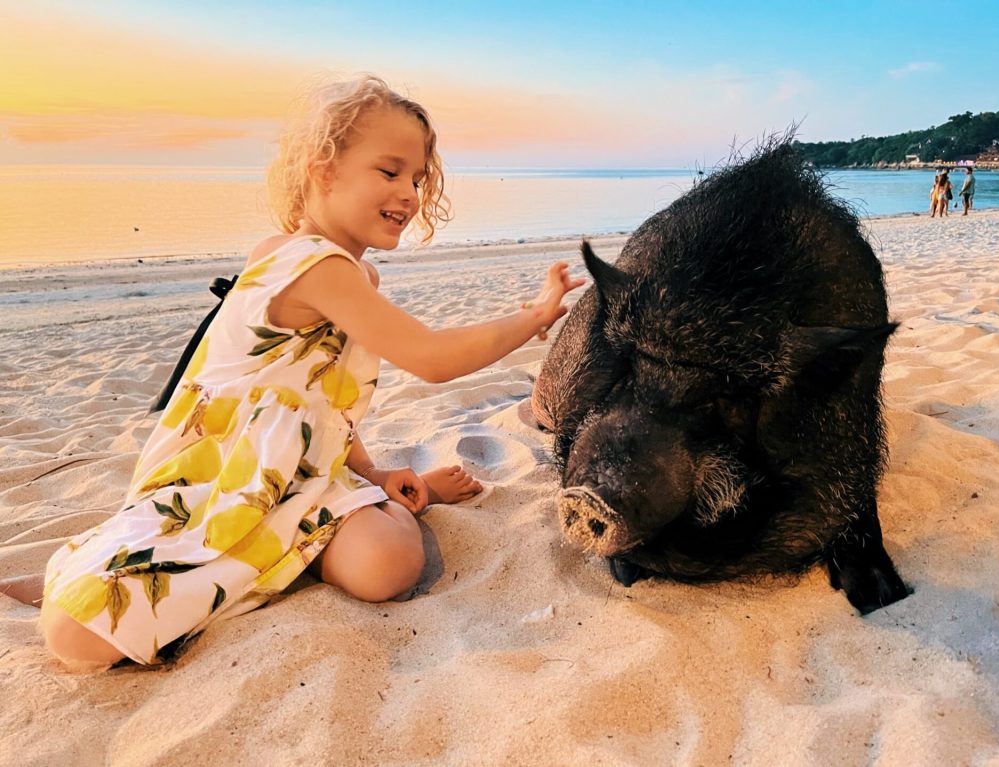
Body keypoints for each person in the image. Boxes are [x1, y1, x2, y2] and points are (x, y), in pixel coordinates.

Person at [11, 74, 585, 668]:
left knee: (387, 567)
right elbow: (431, 357)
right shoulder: (312, 267)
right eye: (389, 173)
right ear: (323, 169)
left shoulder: (346, 273)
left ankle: (382, 501)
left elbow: (321, 398)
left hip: (301, 474)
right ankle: (73, 570)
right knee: (78, 637)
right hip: (226, 472)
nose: (411, 194)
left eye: (418, 178)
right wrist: (532, 319)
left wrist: (374, 470)